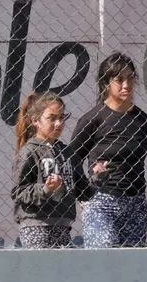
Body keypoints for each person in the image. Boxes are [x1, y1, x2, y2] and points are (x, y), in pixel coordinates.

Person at [69, 52, 147, 248]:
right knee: (104, 257)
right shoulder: (93, 119)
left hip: (136, 202)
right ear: (106, 82)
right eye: (119, 80)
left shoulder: (145, 122)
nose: (126, 85)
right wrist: (83, 191)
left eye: (130, 78)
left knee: (132, 266)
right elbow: (71, 159)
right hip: (102, 200)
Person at [11, 92, 92, 249]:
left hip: (63, 225)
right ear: (35, 121)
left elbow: (83, 192)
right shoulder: (29, 152)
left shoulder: (68, 153)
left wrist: (98, 178)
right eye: (52, 118)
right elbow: (19, 192)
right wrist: (46, 189)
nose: (58, 123)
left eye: (62, 117)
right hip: (37, 226)